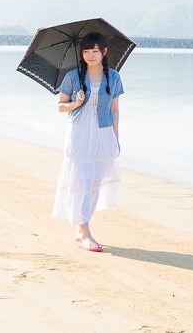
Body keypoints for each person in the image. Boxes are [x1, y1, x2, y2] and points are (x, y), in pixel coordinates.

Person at [52, 32, 123, 251]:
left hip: (103, 133)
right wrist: (76, 102)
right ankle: (85, 233)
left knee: (94, 183)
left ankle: (81, 225)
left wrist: (116, 137)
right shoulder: (73, 77)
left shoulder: (114, 77)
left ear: (104, 52)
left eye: (94, 51)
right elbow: (60, 106)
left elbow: (114, 109)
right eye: (86, 51)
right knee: (80, 180)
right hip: (80, 132)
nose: (90, 55)